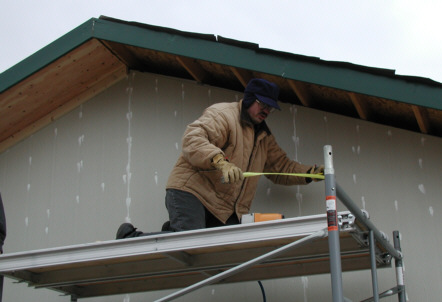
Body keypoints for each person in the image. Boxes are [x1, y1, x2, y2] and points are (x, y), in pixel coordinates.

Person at [116, 78, 323, 239]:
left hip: (223, 208)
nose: (267, 110)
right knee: (189, 243)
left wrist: (308, 174)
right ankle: (130, 238)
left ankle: (173, 232)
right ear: (250, 99)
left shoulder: (263, 137)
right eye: (263, 104)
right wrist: (219, 161)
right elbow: (192, 138)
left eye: (270, 107)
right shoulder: (224, 115)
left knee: (220, 253)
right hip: (192, 191)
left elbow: (280, 167)